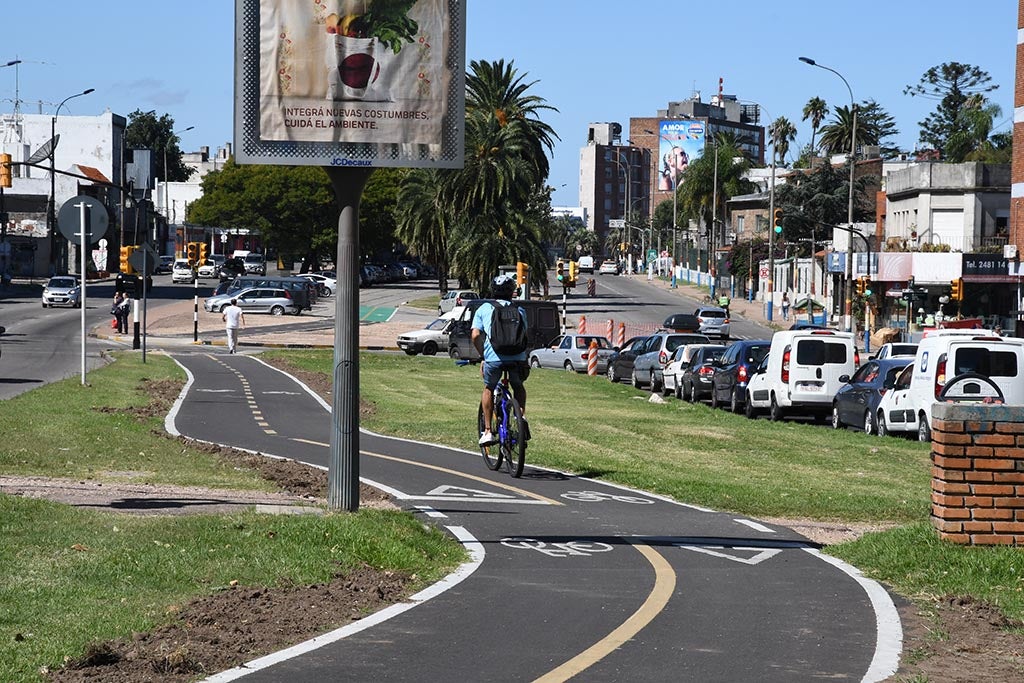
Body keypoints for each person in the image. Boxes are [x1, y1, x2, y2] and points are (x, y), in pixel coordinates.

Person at [471, 274, 529, 446]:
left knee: (489, 388)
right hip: (518, 358)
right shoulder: (520, 310)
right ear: (512, 292)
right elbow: (524, 334)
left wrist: (482, 355)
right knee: (518, 385)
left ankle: (488, 431)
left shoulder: (484, 309)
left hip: (494, 358)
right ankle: (521, 417)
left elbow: (475, 335)